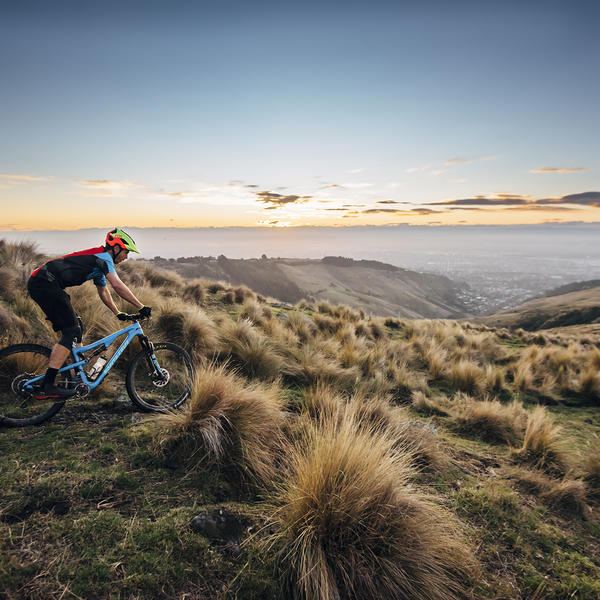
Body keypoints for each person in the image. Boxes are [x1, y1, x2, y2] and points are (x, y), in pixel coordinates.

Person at [27, 228, 152, 399]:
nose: (126, 257)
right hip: (44, 283)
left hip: (47, 284)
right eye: (126, 252)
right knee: (71, 330)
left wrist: (117, 312)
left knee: (76, 327)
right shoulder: (103, 258)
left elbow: (104, 290)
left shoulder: (99, 263)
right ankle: (47, 385)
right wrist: (141, 306)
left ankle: (80, 376)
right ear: (116, 248)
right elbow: (117, 285)